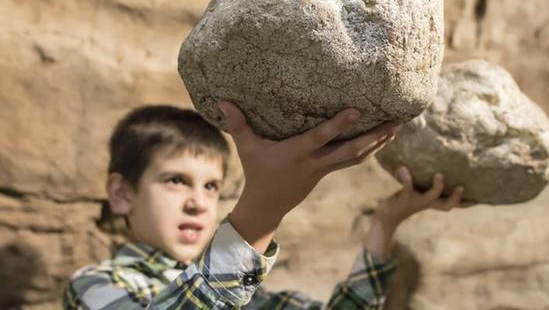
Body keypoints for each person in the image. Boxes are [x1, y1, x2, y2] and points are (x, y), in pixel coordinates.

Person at [63, 102, 465, 309]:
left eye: (211, 187)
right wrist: (261, 211)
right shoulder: (95, 286)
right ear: (121, 193)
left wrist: (385, 224)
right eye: (175, 181)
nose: (197, 203)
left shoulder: (253, 299)